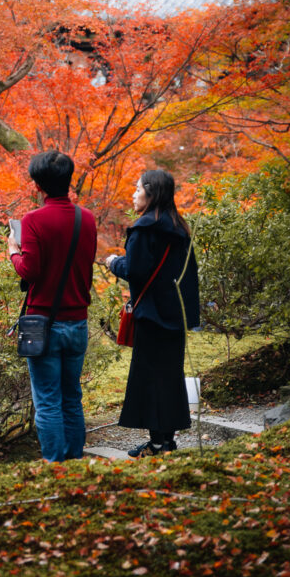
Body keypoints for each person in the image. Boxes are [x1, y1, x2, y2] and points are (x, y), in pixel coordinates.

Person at [7, 149, 97, 462]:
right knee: (71, 397)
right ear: (69, 180)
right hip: (78, 322)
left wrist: (13, 251)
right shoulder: (86, 219)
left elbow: (29, 271)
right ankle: (74, 463)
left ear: (38, 186)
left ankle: (55, 468)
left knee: (47, 399)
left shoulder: (32, 221)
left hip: (43, 323)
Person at [104, 168, 199, 458]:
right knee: (169, 378)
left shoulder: (144, 229)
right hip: (175, 315)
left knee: (150, 380)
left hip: (151, 316)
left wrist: (113, 262)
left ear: (151, 192)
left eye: (137, 189)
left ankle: (157, 444)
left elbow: (136, 271)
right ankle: (165, 441)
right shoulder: (180, 229)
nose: (133, 194)